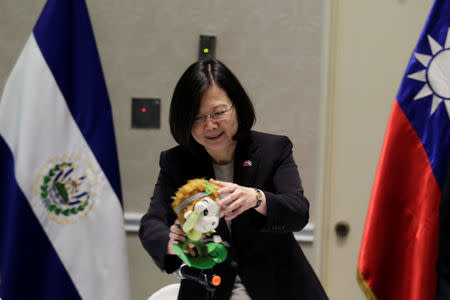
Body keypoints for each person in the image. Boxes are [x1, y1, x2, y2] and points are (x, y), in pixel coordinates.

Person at [139, 59, 328, 300]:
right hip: (210, 291)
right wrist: (171, 240)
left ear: (237, 106)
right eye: (197, 118)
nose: (209, 125)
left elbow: (298, 211)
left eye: (218, 113)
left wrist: (257, 198)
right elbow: (151, 222)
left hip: (278, 288)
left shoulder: (272, 150)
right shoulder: (176, 162)